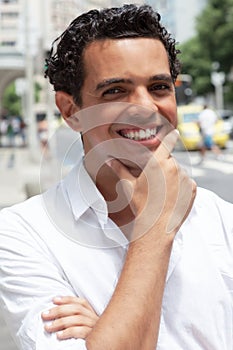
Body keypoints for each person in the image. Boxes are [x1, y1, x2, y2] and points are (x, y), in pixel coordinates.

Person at [0, 4, 232, 350]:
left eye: (158, 87)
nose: (145, 108)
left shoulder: (223, 222)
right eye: (115, 91)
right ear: (70, 110)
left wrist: (107, 333)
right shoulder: (22, 235)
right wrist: (154, 231)